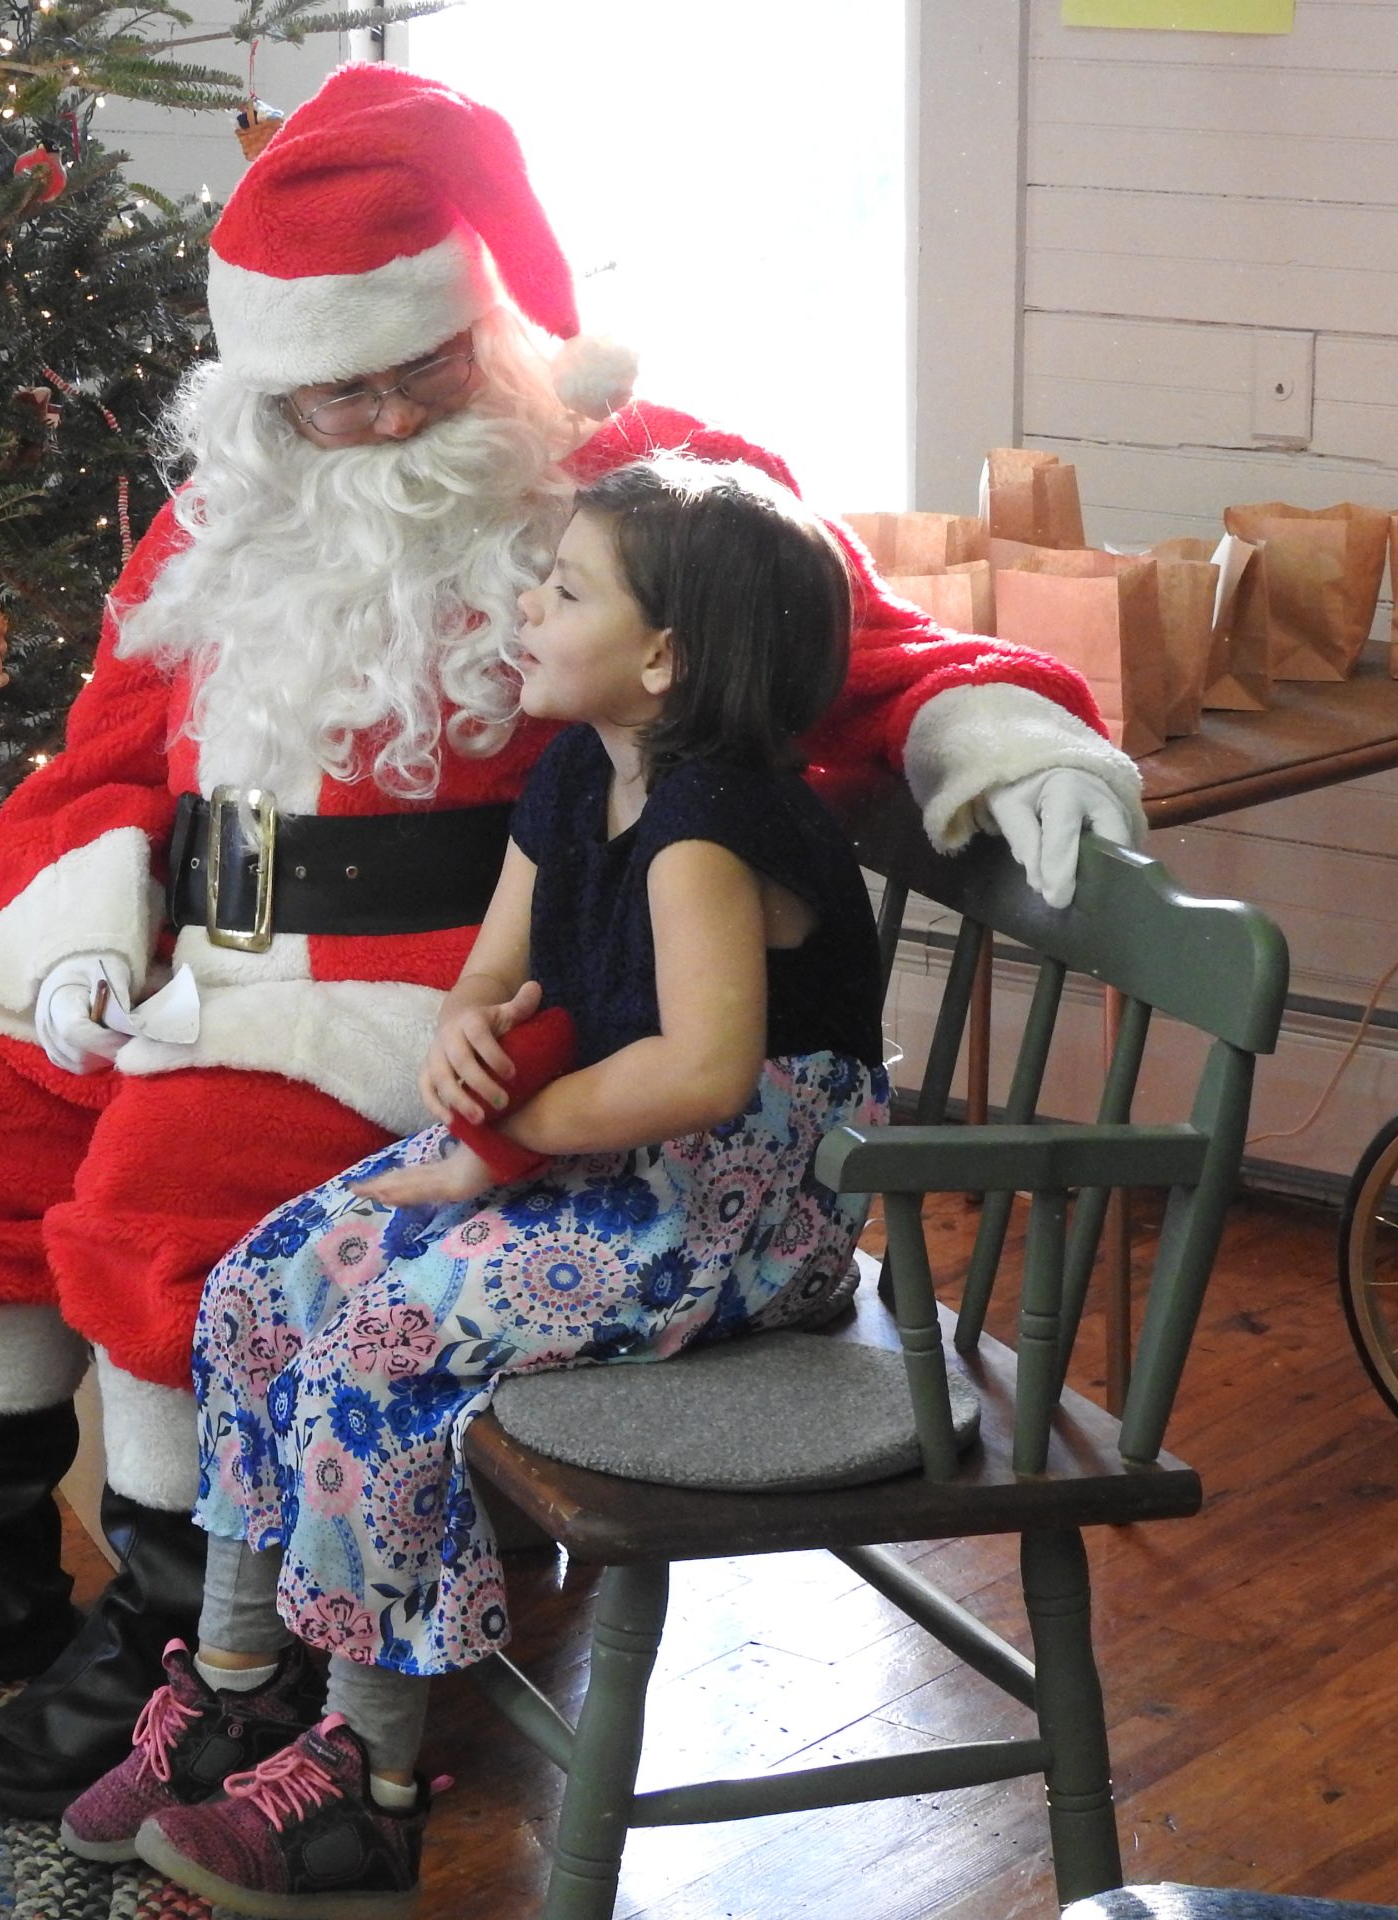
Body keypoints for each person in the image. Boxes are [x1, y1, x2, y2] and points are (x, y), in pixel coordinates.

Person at [0, 62, 1142, 1817]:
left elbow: (865, 651)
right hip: (197, 960)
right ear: (268, 386)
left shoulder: (637, 489)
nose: (389, 422)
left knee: (178, 1198)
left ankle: (186, 1639)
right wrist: (86, 913)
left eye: (422, 368)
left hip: (440, 997)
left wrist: (997, 733)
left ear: (484, 320)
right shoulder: (221, 513)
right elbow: (101, 752)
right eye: (338, 393)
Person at [53, 454, 891, 1914]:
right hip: (596, 1154)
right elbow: (497, 965)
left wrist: (510, 1135)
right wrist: (463, 1042)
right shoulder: (579, 771)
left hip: (732, 1213)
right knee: (273, 1273)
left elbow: (702, 1074)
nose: (528, 600)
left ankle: (366, 1786)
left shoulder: (707, 833)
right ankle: (239, 1687)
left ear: (665, 655)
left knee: (383, 1342)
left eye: (564, 589)